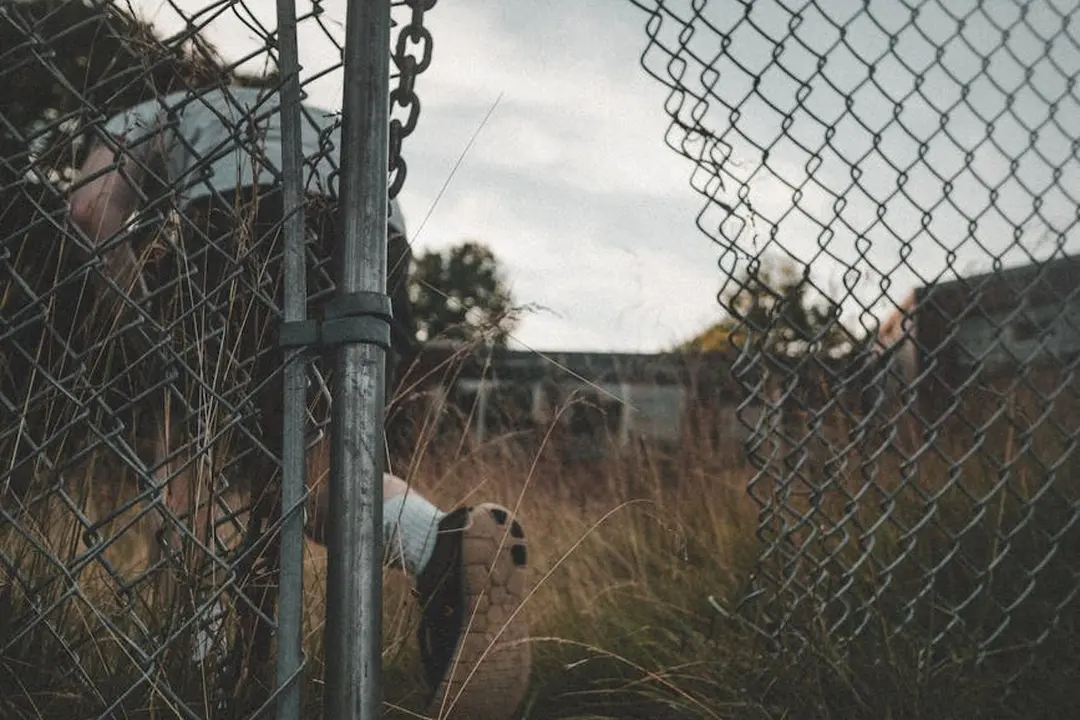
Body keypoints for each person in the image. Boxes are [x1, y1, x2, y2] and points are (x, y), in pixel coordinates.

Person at [67, 83, 531, 718]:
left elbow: (93, 206)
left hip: (239, 214)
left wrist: (139, 314)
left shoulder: (151, 111)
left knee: (193, 443)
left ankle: (196, 668)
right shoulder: (325, 116)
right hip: (373, 233)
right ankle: (442, 546)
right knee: (327, 454)